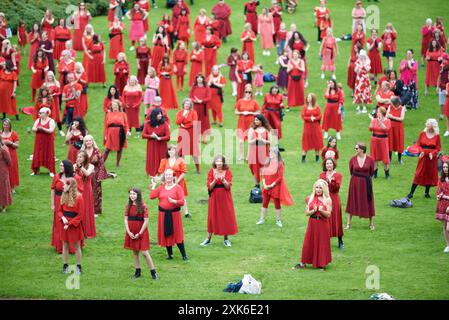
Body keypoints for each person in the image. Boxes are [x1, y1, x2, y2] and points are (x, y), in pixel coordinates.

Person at [150, 169, 188, 261]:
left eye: (170, 175)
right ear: (164, 177)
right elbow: (152, 196)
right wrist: (154, 186)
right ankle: (170, 254)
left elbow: (182, 202)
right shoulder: (161, 187)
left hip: (174, 215)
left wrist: (174, 201)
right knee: (166, 233)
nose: (168, 177)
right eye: (166, 175)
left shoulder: (178, 188)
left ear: (173, 177)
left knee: (177, 234)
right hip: (163, 215)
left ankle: (184, 255)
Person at [294, 179, 332, 270]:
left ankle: (321, 264)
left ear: (324, 189)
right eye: (316, 187)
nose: (318, 189)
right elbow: (307, 212)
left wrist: (321, 210)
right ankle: (303, 262)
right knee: (308, 242)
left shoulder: (327, 199)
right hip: (312, 223)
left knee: (321, 243)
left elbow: (328, 214)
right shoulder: (310, 198)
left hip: (323, 224)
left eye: (320, 188)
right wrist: (314, 211)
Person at [201, 155, 238, 247]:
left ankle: (226, 239)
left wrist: (223, 180)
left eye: (220, 161)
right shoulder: (211, 171)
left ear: (223, 162)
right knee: (212, 217)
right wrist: (215, 180)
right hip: (214, 197)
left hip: (225, 197)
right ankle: (208, 239)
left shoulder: (228, 171)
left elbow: (228, 186)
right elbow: (209, 186)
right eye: (217, 161)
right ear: (215, 162)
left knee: (225, 216)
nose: (219, 163)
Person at [124, 188, 159, 280]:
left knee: (144, 252)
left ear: (138, 195)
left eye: (134, 194)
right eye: (130, 194)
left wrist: (140, 233)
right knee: (135, 252)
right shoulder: (128, 205)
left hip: (141, 232)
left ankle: (153, 273)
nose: (132, 196)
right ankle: (137, 272)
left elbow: (146, 221)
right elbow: (125, 219)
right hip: (131, 231)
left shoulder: (143, 206)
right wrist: (128, 231)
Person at [51, 160, 83, 254]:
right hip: (58, 202)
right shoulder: (57, 176)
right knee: (59, 223)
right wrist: (52, 204)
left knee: (71, 223)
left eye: (62, 166)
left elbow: (80, 191)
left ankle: (73, 247)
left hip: (70, 202)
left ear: (67, 167)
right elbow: (53, 190)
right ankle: (60, 246)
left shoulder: (75, 178)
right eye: (60, 165)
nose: (60, 167)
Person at [257, 147, 294, 227]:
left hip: (275, 186)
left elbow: (280, 177)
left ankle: (278, 220)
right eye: (270, 153)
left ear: (276, 154)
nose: (270, 154)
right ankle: (262, 219)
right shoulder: (267, 162)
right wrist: (264, 184)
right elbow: (263, 174)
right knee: (264, 203)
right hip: (266, 186)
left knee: (277, 204)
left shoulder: (280, 164)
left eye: (272, 153)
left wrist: (272, 185)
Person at [407, 119, 441, 199]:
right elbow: (418, 144)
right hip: (423, 156)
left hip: (431, 158)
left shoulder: (437, 136)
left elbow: (438, 148)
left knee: (429, 173)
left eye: (429, 124)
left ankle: (427, 192)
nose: (427, 125)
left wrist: (432, 154)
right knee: (418, 173)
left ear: (433, 126)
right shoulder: (423, 133)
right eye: (427, 124)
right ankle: (411, 193)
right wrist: (421, 151)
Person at [345, 142, 375, 230]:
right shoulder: (352, 159)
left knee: (368, 201)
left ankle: (371, 224)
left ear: (362, 149)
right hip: (354, 183)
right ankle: (348, 223)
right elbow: (351, 171)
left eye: (356, 148)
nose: (355, 150)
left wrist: (369, 183)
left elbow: (372, 172)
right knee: (352, 201)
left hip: (366, 183)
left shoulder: (370, 159)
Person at [58, 178, 84, 275]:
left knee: (77, 246)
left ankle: (78, 266)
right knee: (65, 245)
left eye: (65, 185)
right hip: (65, 223)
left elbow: (80, 215)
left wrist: (69, 224)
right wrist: (62, 217)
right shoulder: (64, 195)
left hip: (74, 225)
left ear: (70, 186)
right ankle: (65, 265)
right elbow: (59, 211)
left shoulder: (79, 197)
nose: (63, 186)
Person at [158, 144, 190, 218]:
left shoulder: (180, 160)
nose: (171, 151)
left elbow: (184, 172)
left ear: (175, 151)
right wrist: (163, 181)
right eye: (169, 150)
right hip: (167, 182)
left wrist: (176, 182)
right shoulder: (164, 161)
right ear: (167, 151)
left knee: (181, 197)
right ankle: (167, 210)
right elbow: (161, 172)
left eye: (173, 150)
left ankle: (186, 213)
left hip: (179, 181)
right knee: (165, 196)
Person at [80, 135, 109, 216]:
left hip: (95, 175)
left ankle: (95, 211)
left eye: (90, 141)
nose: (88, 142)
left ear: (92, 142)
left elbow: (101, 164)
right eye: (86, 141)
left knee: (96, 193)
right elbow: (78, 163)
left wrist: (100, 176)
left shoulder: (97, 151)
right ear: (84, 143)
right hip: (84, 175)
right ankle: (84, 209)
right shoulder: (82, 152)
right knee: (84, 191)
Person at [142, 108, 170, 178]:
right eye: (159, 114)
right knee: (152, 157)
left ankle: (161, 172)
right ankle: (152, 172)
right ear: (154, 115)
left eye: (161, 114)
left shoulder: (164, 123)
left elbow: (168, 136)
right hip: (152, 144)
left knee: (161, 158)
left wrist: (160, 138)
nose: (160, 115)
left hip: (161, 144)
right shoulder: (147, 123)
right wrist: (151, 136)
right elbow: (143, 135)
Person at [235, 85, 260, 161]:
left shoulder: (254, 102)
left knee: (250, 140)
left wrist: (250, 112)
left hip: (250, 122)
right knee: (240, 141)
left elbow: (258, 112)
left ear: (251, 93)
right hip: (242, 122)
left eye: (249, 92)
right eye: (246, 92)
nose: (248, 93)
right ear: (244, 92)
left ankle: (248, 156)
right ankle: (241, 155)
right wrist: (242, 112)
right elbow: (236, 111)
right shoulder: (240, 101)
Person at [75, 151, 95, 239]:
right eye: (78, 156)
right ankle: (78, 229)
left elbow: (87, 174)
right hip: (77, 189)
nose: (79, 158)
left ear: (85, 158)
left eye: (81, 157)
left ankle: (87, 230)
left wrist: (80, 166)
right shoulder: (74, 166)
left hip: (86, 189)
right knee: (77, 208)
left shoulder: (91, 166)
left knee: (86, 208)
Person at [103, 100, 131, 167]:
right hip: (110, 132)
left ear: (119, 106)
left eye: (116, 105)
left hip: (120, 132)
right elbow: (106, 126)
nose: (114, 107)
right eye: (113, 105)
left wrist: (127, 131)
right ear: (111, 106)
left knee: (120, 148)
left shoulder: (123, 114)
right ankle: (101, 163)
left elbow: (126, 124)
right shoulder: (108, 114)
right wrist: (105, 135)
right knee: (107, 149)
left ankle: (118, 164)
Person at [176, 99, 200, 173]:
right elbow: (177, 121)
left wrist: (184, 125)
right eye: (186, 104)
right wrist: (183, 116)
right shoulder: (180, 112)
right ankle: (182, 169)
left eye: (189, 104)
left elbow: (194, 122)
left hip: (191, 133)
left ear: (190, 105)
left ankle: (198, 169)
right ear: (183, 104)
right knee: (181, 151)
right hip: (182, 133)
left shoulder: (193, 112)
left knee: (194, 152)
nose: (187, 105)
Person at [31, 107, 55, 176]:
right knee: (37, 154)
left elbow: (51, 130)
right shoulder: (38, 120)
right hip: (39, 141)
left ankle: (51, 171)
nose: (40, 114)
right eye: (40, 113)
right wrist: (38, 129)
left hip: (48, 141)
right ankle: (35, 170)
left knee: (49, 154)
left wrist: (43, 129)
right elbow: (33, 128)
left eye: (41, 113)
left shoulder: (51, 121)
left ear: (46, 114)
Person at [248, 115, 271, 187]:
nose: (256, 121)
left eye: (257, 120)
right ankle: (257, 185)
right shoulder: (252, 129)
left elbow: (270, 142)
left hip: (264, 150)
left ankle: (264, 183)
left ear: (261, 121)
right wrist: (256, 139)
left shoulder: (267, 130)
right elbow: (249, 142)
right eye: (255, 120)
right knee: (254, 168)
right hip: (254, 151)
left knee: (264, 168)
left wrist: (263, 140)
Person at [369, 107, 391, 179]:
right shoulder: (374, 120)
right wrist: (372, 121)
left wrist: (380, 122)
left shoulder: (387, 121)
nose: (377, 113)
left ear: (383, 113)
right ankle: (375, 174)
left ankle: (387, 174)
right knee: (374, 157)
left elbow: (386, 129)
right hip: (374, 140)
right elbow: (370, 129)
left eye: (379, 112)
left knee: (385, 157)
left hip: (383, 140)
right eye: (377, 112)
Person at [190, 74, 211, 144]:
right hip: (196, 107)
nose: (199, 79)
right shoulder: (194, 87)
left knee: (204, 122)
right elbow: (190, 96)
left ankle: (204, 138)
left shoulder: (206, 87)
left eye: (200, 78)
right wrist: (194, 100)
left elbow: (209, 97)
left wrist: (201, 101)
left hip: (203, 107)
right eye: (198, 78)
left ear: (203, 79)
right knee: (196, 122)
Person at [302, 93, 323, 162]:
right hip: (307, 127)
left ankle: (317, 158)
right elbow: (303, 116)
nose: (308, 99)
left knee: (316, 142)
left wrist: (315, 118)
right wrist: (310, 118)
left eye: (310, 97)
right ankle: (303, 158)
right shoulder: (305, 107)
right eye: (307, 97)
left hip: (315, 127)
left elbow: (320, 116)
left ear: (313, 99)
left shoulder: (317, 107)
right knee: (306, 142)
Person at [386, 96, 405, 164]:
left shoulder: (402, 108)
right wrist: (390, 117)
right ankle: (389, 159)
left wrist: (392, 117)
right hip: (390, 127)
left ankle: (399, 159)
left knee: (399, 142)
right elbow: (386, 115)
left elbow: (402, 118)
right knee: (390, 142)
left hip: (398, 127)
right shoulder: (390, 107)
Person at [1, 119, 18, 191]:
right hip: (2, 155)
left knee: (11, 170)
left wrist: (10, 143)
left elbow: (17, 145)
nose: (5, 126)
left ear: (10, 125)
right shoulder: (0, 133)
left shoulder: (14, 134)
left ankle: (12, 187)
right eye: (4, 125)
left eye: (7, 125)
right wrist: (4, 142)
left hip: (11, 154)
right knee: (3, 170)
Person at [436, 162, 449, 253]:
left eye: (447, 167)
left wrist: (444, 196)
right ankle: (448, 245)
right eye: (444, 167)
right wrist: (440, 195)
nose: (445, 169)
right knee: (444, 226)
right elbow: (438, 193)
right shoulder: (441, 179)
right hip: (442, 205)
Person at [0, 135, 11, 212]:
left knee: (3, 187)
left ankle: (4, 205)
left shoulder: (3, 149)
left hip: (2, 171)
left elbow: (9, 161)